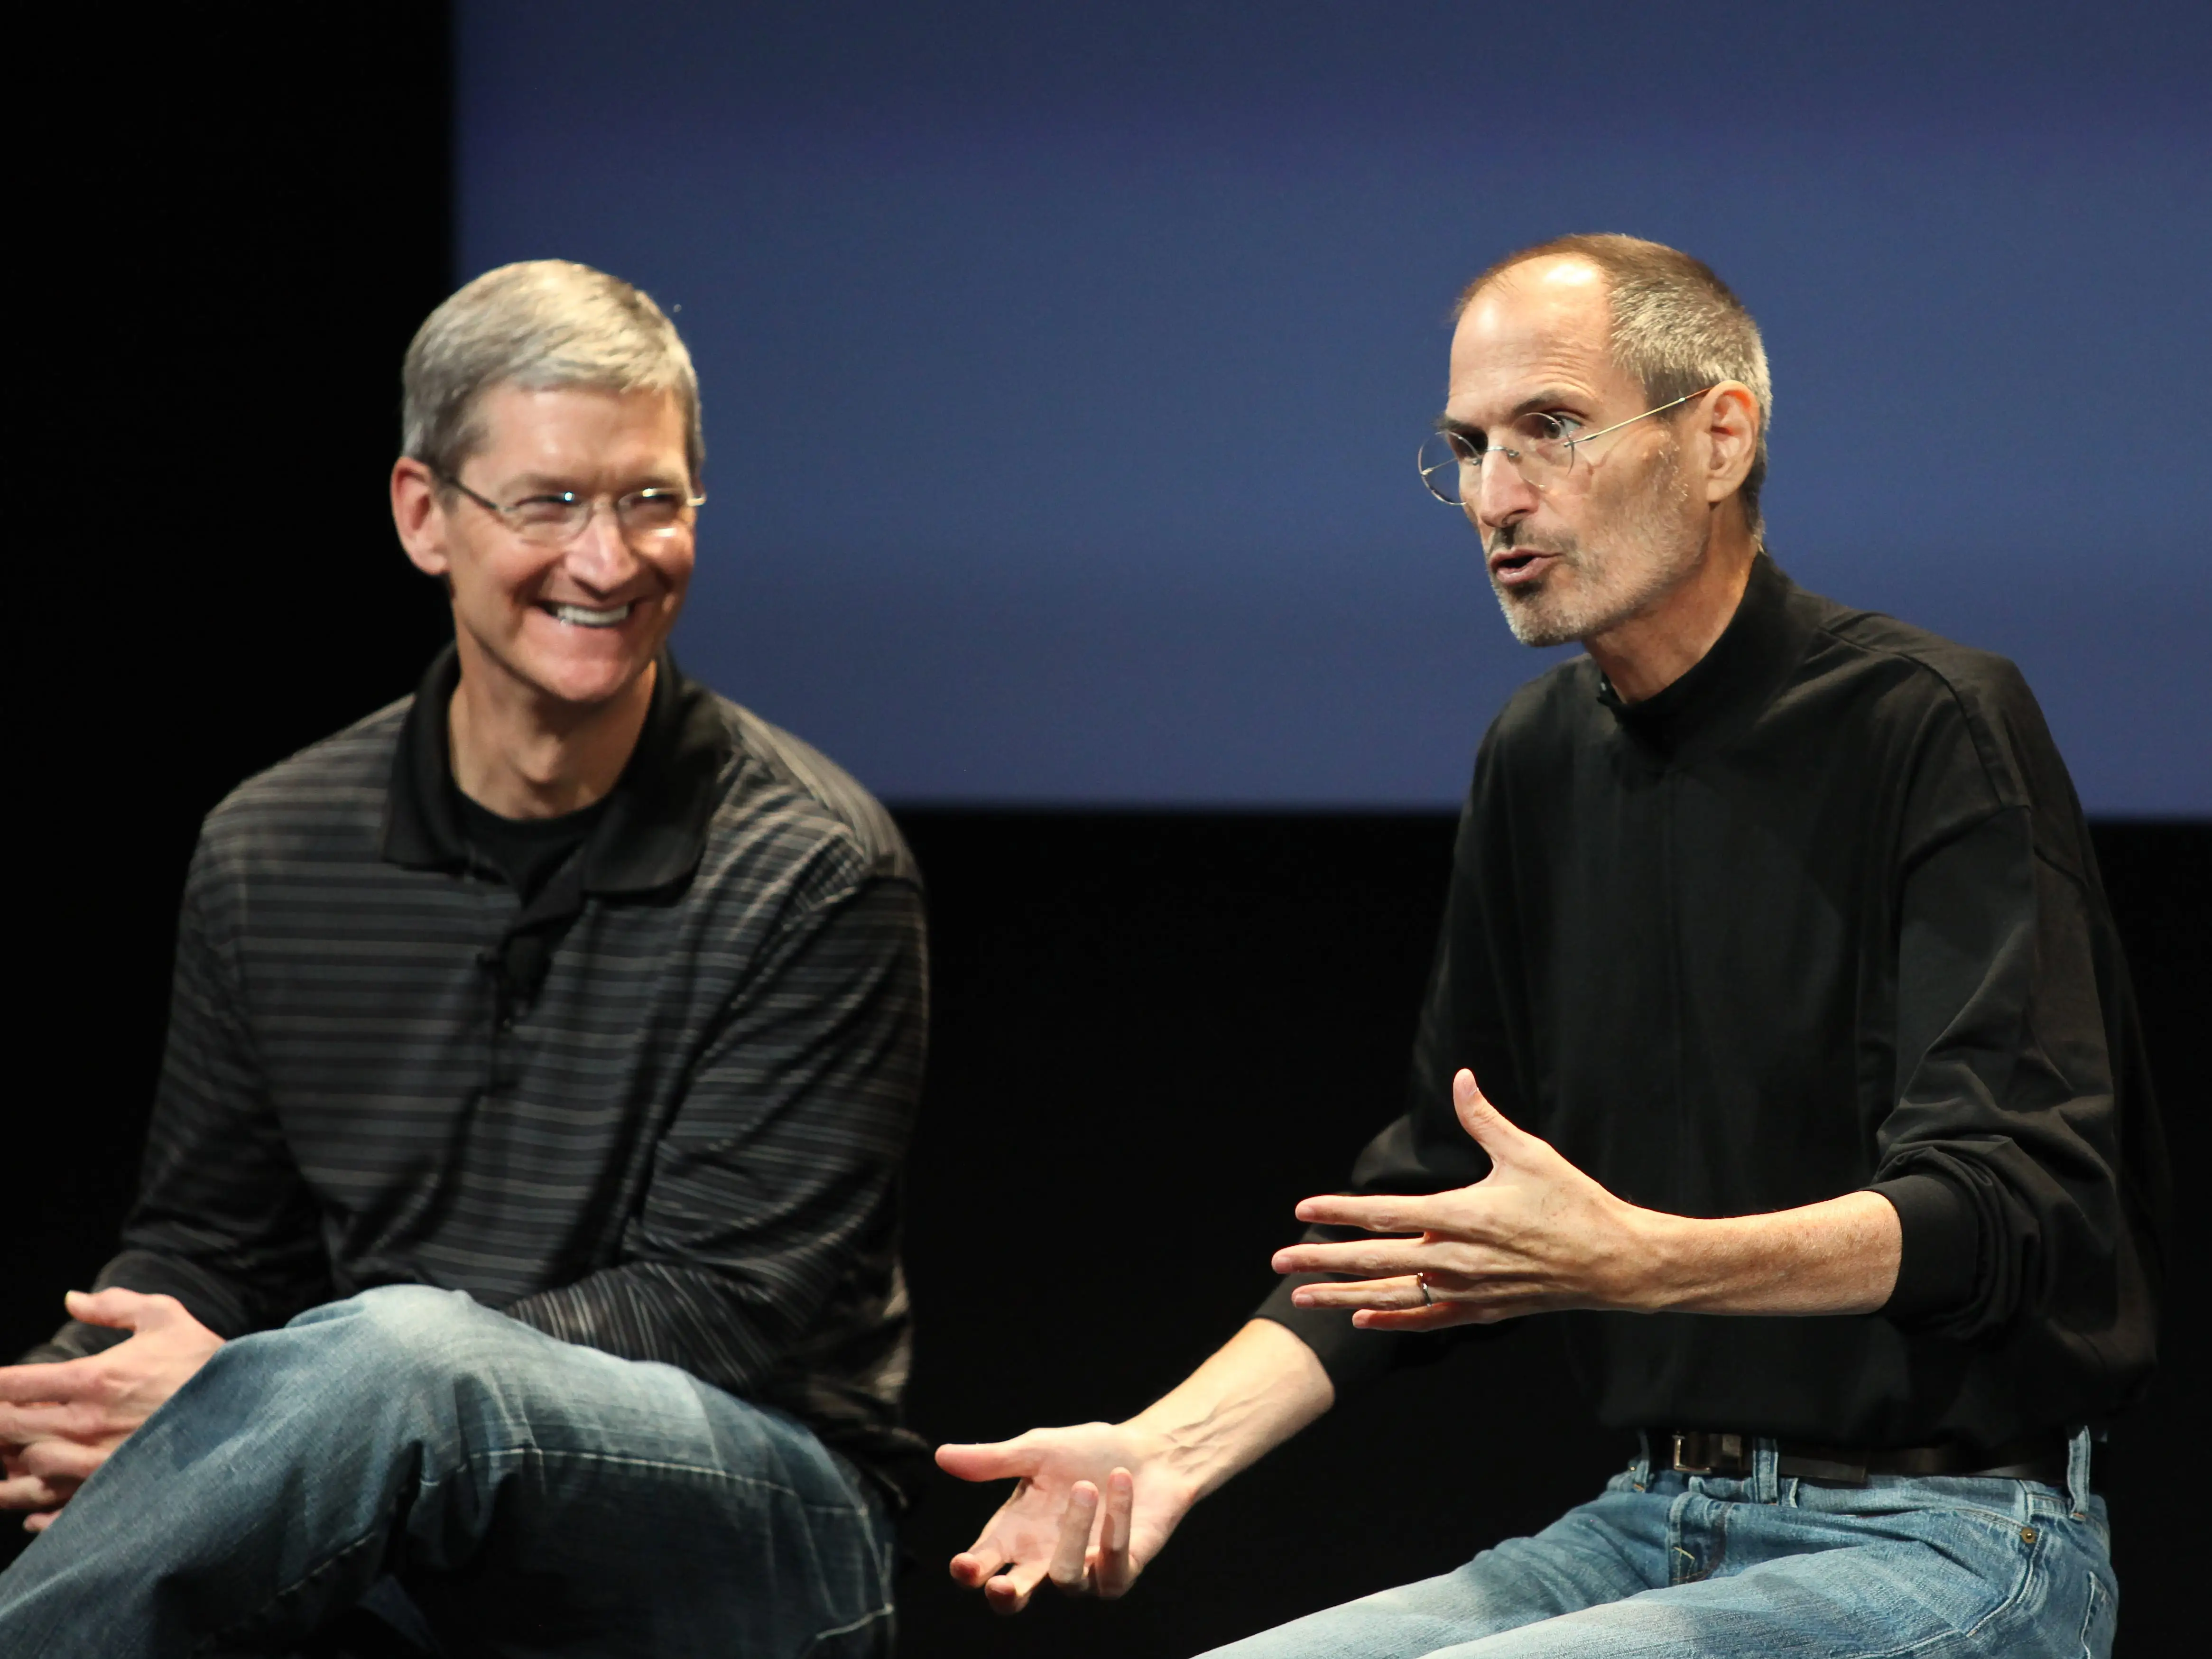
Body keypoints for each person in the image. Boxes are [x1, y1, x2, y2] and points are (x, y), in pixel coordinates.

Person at [937, 234, 2165, 1657]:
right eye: (1464, 448)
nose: (1492, 497)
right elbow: (1443, 1195)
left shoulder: (1927, 724)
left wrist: (1648, 1260)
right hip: (1655, 1515)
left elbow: (2014, 1208)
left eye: (1550, 432)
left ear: (1718, 438)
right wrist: (1166, 1450)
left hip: (1956, 1540)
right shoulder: (1535, 760)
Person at [0, 261, 925, 1657]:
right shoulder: (273, 844)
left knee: (400, 1360)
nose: (608, 561)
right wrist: (73, 1395)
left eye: (650, 500)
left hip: (756, 1517)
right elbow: (209, 1240)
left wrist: (264, 1403)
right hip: (391, 1476)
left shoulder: (813, 867)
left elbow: (715, 1309)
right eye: (550, 502)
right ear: (424, 515)